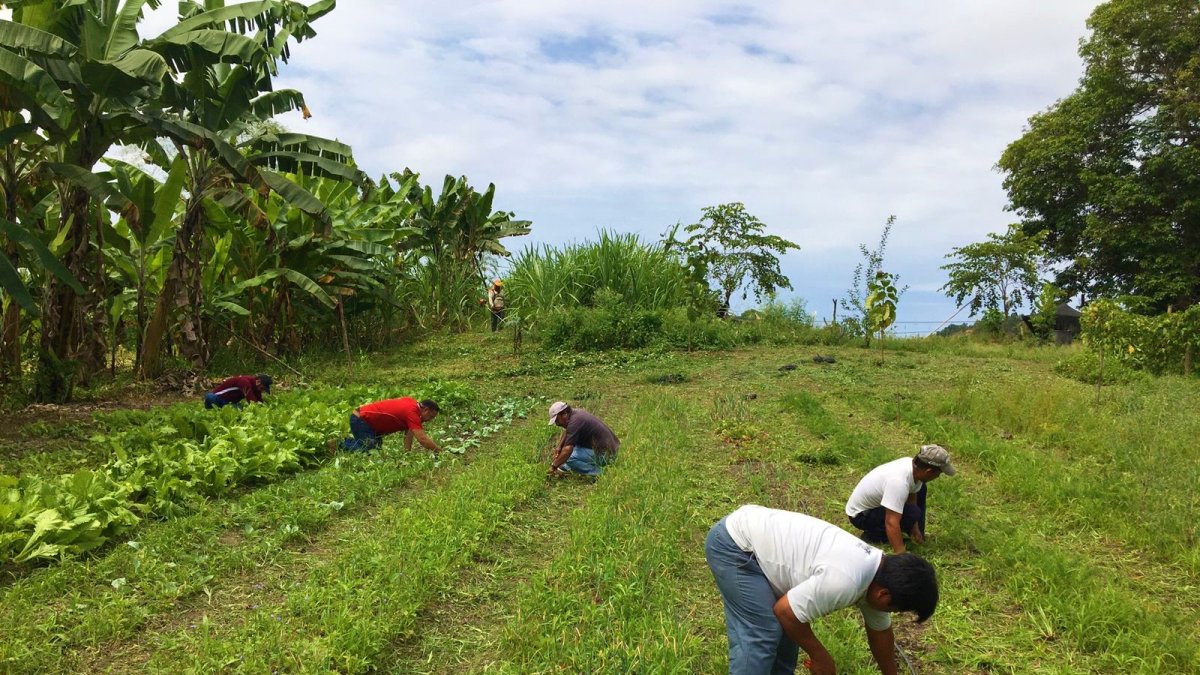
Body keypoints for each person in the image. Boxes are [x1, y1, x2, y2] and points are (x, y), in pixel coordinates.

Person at [706, 505, 939, 675]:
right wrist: (820, 656)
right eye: (896, 611)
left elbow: (881, 635)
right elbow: (786, 611)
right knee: (763, 633)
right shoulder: (846, 580)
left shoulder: (879, 573)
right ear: (884, 595)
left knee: (789, 636)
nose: (890, 615)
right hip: (736, 545)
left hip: (759, 541)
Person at [845, 445, 956, 554]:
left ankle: (915, 534)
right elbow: (891, 521)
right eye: (939, 474)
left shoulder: (913, 468)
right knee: (911, 512)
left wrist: (915, 528)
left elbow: (912, 497)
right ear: (929, 472)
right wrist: (901, 553)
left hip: (876, 507)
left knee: (920, 492)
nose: (937, 477)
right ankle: (873, 535)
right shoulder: (899, 482)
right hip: (861, 515)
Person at [337, 397, 442, 454]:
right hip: (362, 420)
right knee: (369, 449)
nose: (430, 420)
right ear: (426, 410)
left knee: (376, 449)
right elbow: (422, 439)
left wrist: (406, 453)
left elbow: (409, 433)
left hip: (368, 423)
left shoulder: (412, 405)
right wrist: (439, 451)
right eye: (431, 416)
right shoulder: (412, 412)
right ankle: (339, 445)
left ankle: (347, 443)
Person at [547, 401, 619, 477]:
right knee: (565, 453)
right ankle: (569, 466)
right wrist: (559, 447)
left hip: (608, 456)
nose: (557, 424)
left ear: (564, 414)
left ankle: (600, 473)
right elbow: (568, 431)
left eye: (557, 420)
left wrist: (553, 467)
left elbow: (568, 450)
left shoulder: (575, 422)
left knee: (568, 457)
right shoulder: (575, 414)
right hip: (610, 450)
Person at [204, 374, 272, 409]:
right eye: (262, 388)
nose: (262, 391)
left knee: (239, 408)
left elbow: (259, 400)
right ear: (258, 382)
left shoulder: (256, 387)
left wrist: (265, 407)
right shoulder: (244, 382)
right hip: (218, 398)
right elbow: (251, 400)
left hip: (228, 403)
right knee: (210, 397)